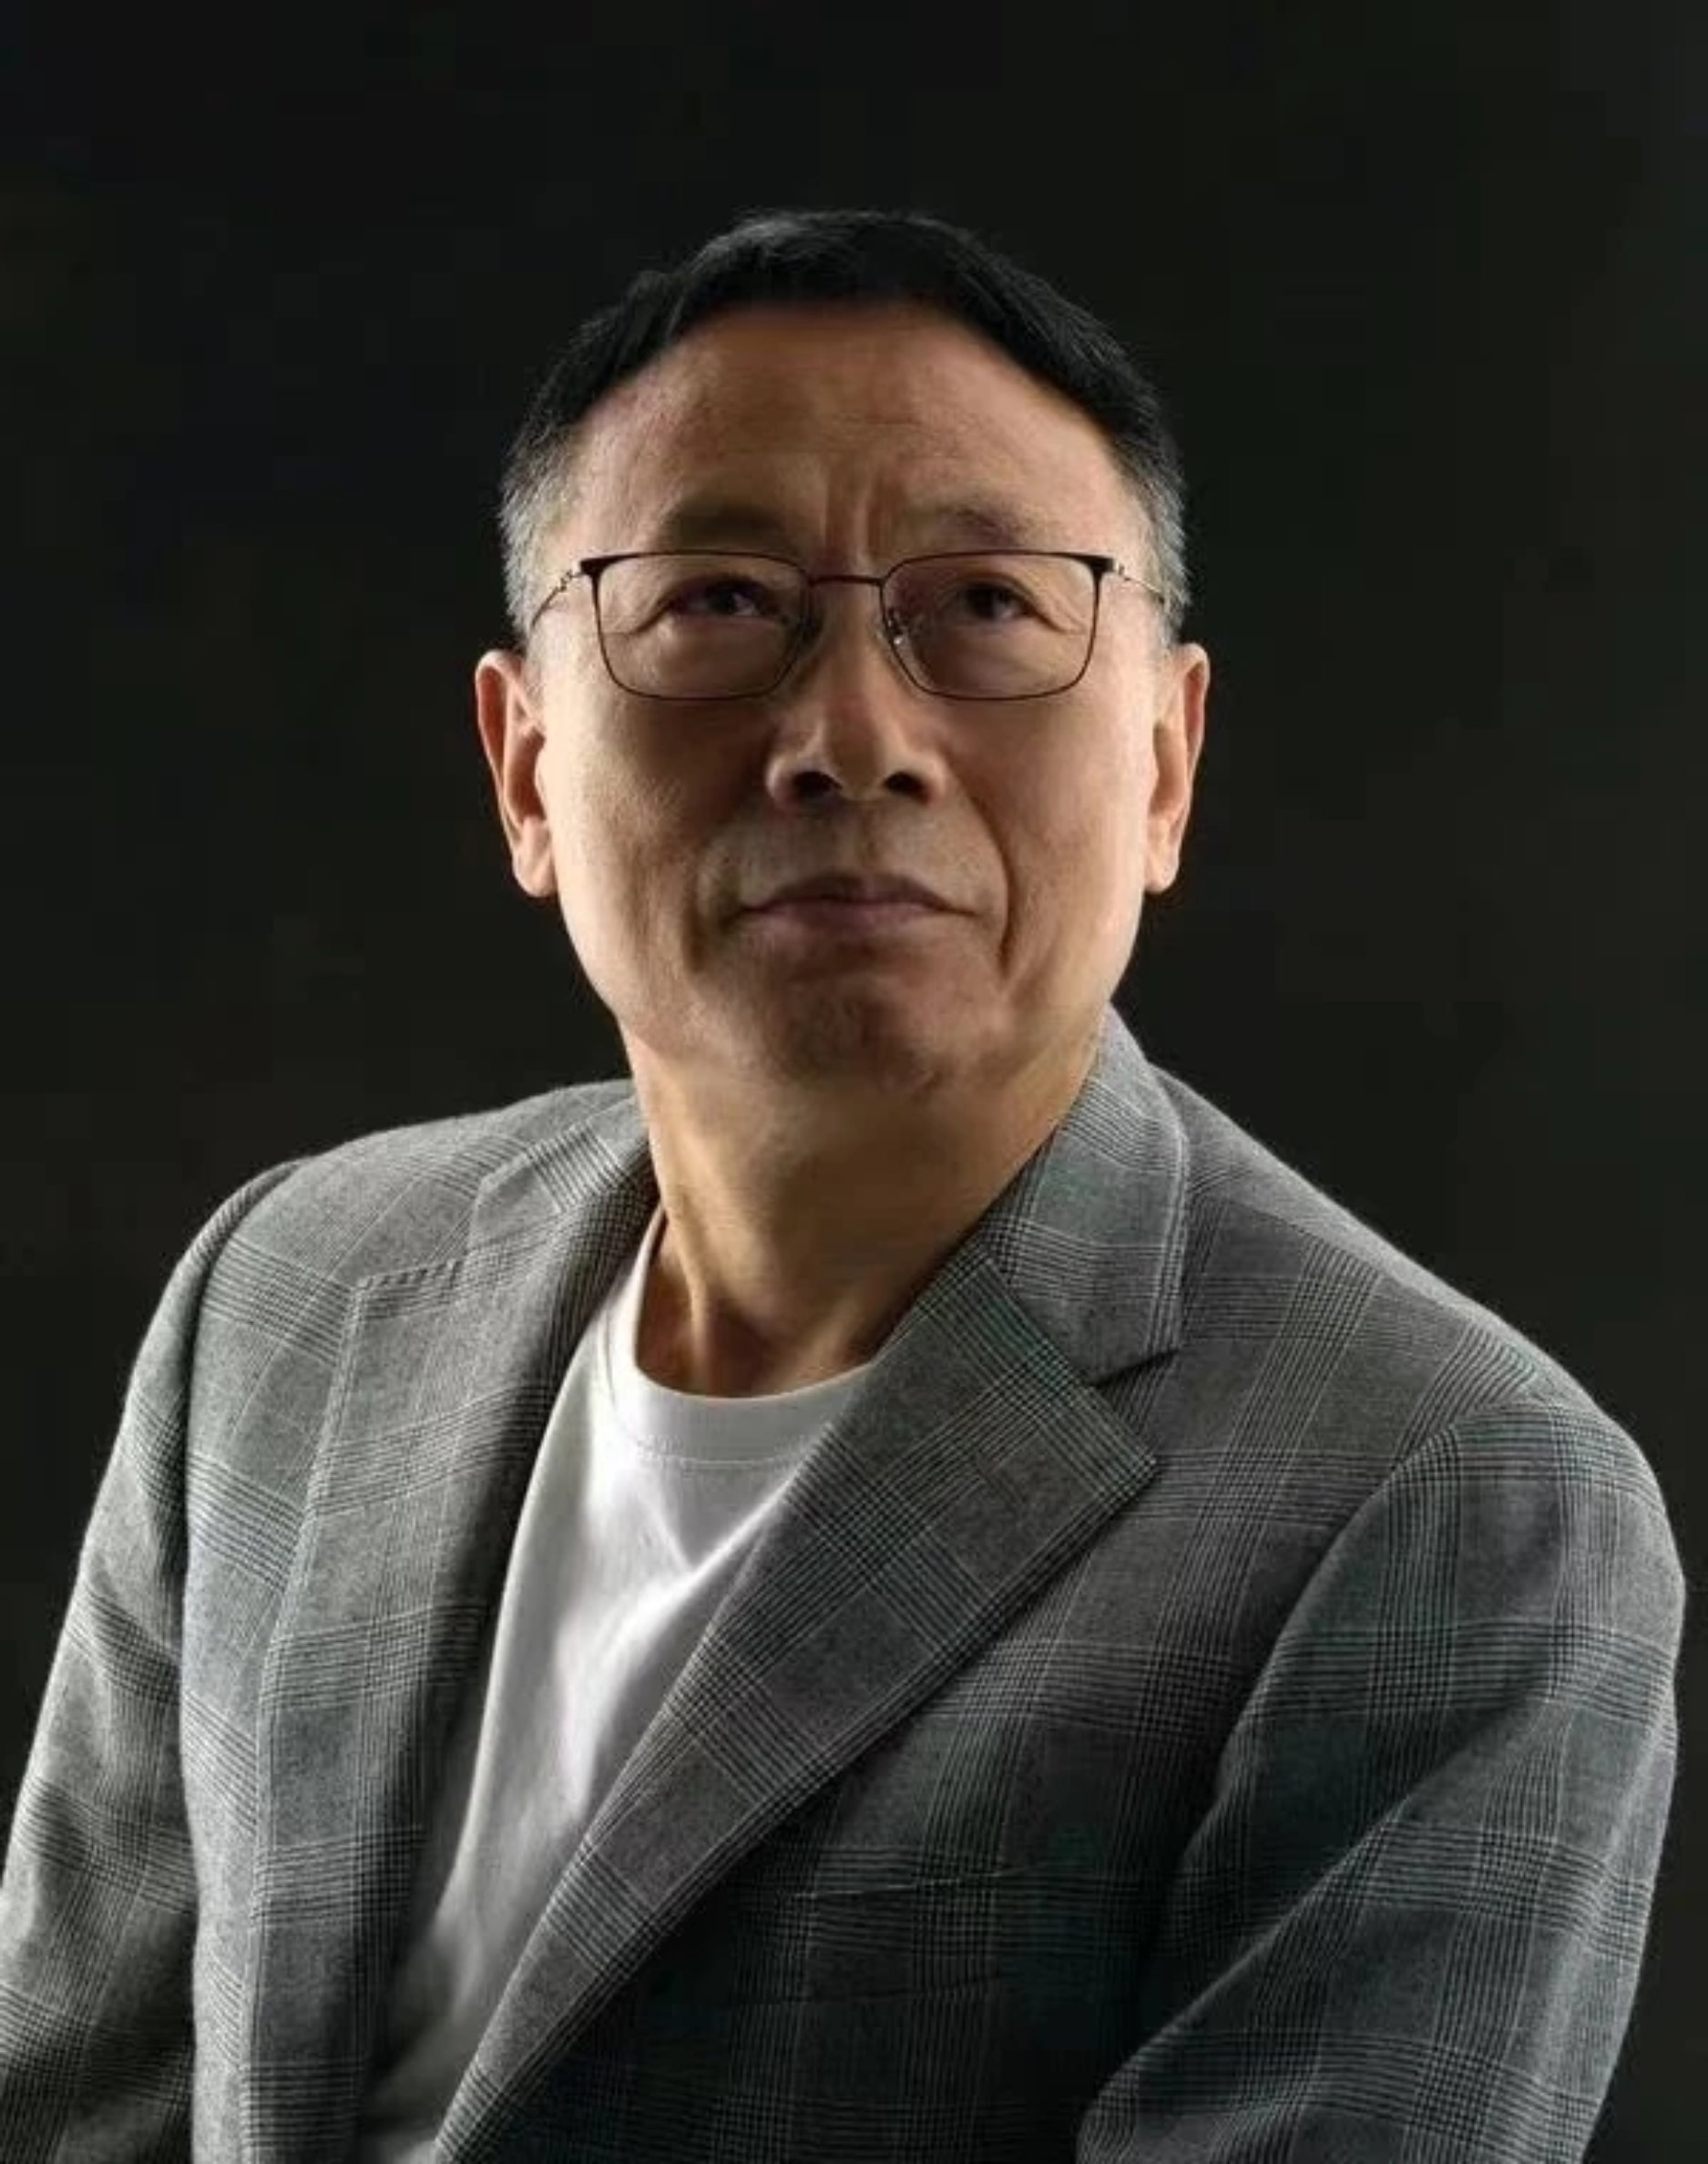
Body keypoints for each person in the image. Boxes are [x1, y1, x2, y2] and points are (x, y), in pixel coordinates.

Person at [0, 207, 1684, 2163]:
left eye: (986, 608)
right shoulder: (287, 1295)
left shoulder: (1449, 1507)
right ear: (527, 769)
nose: (852, 741)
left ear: (1163, 764)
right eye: (717, 603)